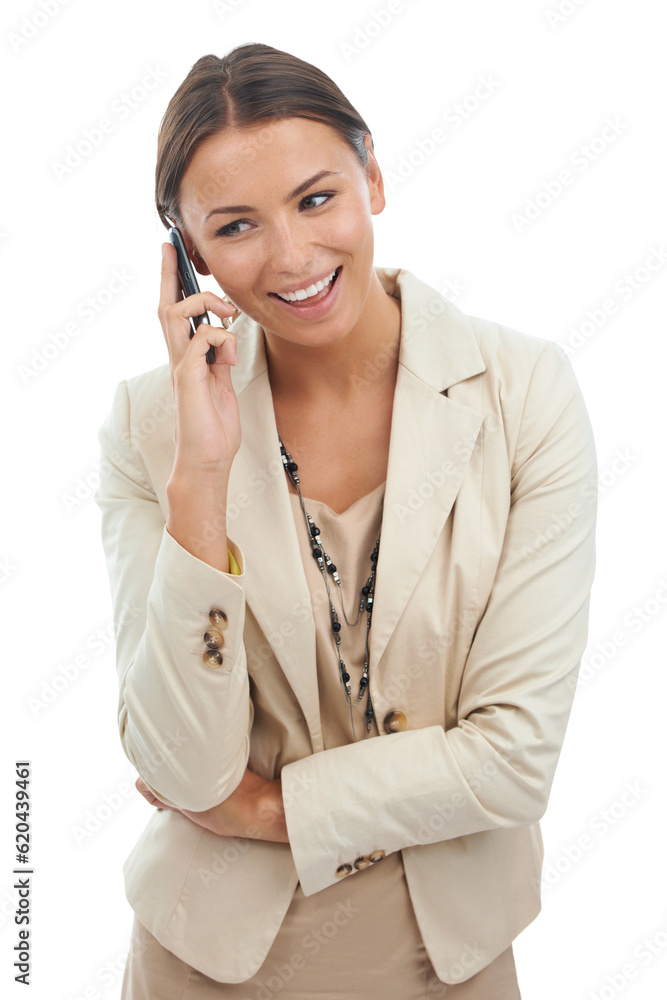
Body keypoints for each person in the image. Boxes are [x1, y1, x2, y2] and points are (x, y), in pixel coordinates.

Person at [94, 42, 597, 1000]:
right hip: (205, 961)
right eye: (236, 226)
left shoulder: (522, 392)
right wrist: (200, 474)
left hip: (447, 954)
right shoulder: (150, 427)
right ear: (188, 256)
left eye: (316, 198)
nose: (290, 257)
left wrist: (270, 810)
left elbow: (513, 760)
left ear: (371, 173)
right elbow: (182, 765)